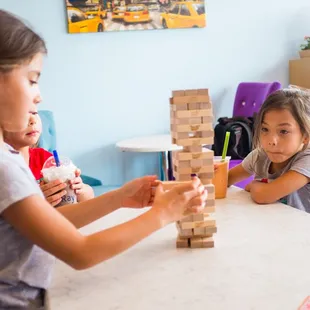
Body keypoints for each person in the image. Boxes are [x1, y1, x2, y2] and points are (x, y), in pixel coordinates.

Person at [0, 9, 208, 309]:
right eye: (32, 80)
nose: (39, 96)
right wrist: (161, 214)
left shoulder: (7, 157)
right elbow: (80, 252)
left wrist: (120, 197)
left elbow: (48, 223)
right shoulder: (5, 167)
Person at [228, 89, 310, 212]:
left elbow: (264, 195)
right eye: (265, 129)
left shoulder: (307, 161)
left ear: (305, 136)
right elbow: (226, 179)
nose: (271, 141)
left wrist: (255, 185)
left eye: (283, 131)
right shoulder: (261, 155)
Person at [3, 112, 95, 206]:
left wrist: (79, 189)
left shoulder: (45, 159)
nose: (33, 120)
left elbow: (89, 196)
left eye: (34, 113)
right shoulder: (4, 167)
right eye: (22, 115)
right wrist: (36, 202)